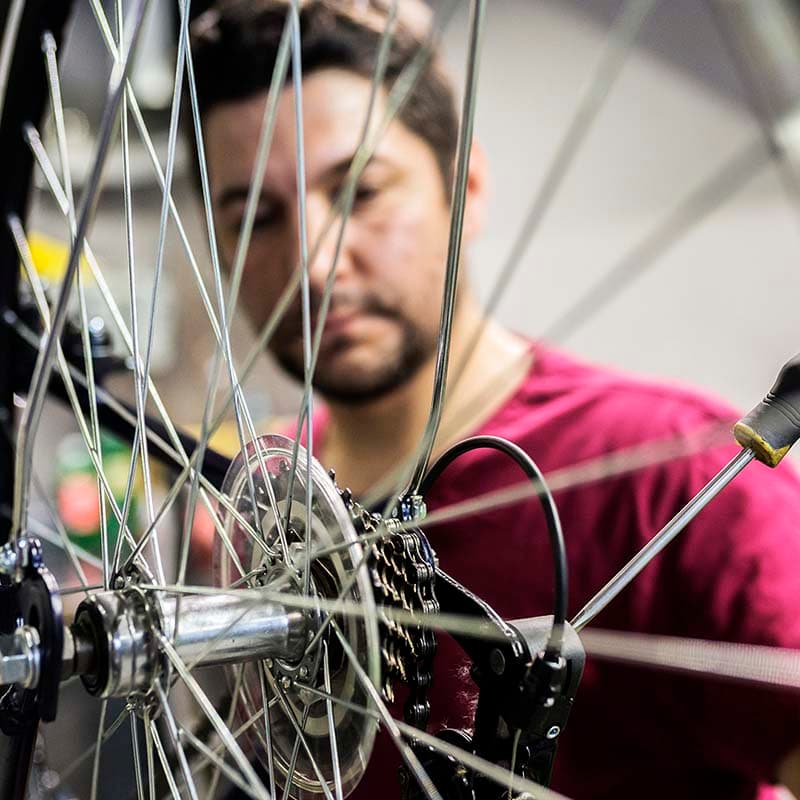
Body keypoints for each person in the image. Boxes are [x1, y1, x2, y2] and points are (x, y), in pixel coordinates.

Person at [190, 2, 800, 798]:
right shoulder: (254, 513)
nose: (312, 267)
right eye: (256, 217)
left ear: (466, 187)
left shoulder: (675, 481)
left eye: (361, 192)